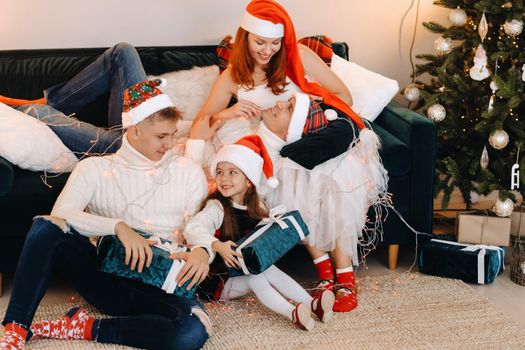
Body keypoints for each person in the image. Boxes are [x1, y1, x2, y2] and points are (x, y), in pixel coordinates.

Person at [192, 0, 388, 313]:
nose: (267, 50)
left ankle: (345, 275)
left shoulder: (300, 55)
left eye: (274, 43)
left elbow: (344, 97)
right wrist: (228, 113)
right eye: (260, 43)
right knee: (289, 180)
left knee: (337, 178)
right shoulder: (233, 75)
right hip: (276, 146)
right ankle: (324, 272)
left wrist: (304, 101)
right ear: (245, 38)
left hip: (315, 135)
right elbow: (199, 128)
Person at [0, 80, 215, 350]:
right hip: (104, 279)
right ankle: (16, 327)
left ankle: (85, 327)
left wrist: (203, 251)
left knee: (192, 331)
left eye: (173, 134)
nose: (170, 144)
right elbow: (60, 216)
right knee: (45, 226)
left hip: (160, 285)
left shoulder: (187, 171)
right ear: (134, 131)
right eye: (162, 136)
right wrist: (118, 227)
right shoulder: (94, 168)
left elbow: (200, 224)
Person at [183, 134, 335, 331]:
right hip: (217, 280)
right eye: (220, 172)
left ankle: (312, 304)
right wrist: (217, 245)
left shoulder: (256, 205)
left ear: (249, 181)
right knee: (257, 276)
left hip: (243, 269)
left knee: (267, 269)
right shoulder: (217, 207)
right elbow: (193, 228)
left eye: (232, 173)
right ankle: (292, 313)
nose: (223, 178)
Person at [0, 42, 147, 156]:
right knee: (123, 51)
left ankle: (44, 105)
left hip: (147, 139)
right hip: (146, 132)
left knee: (122, 52)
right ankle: (51, 103)